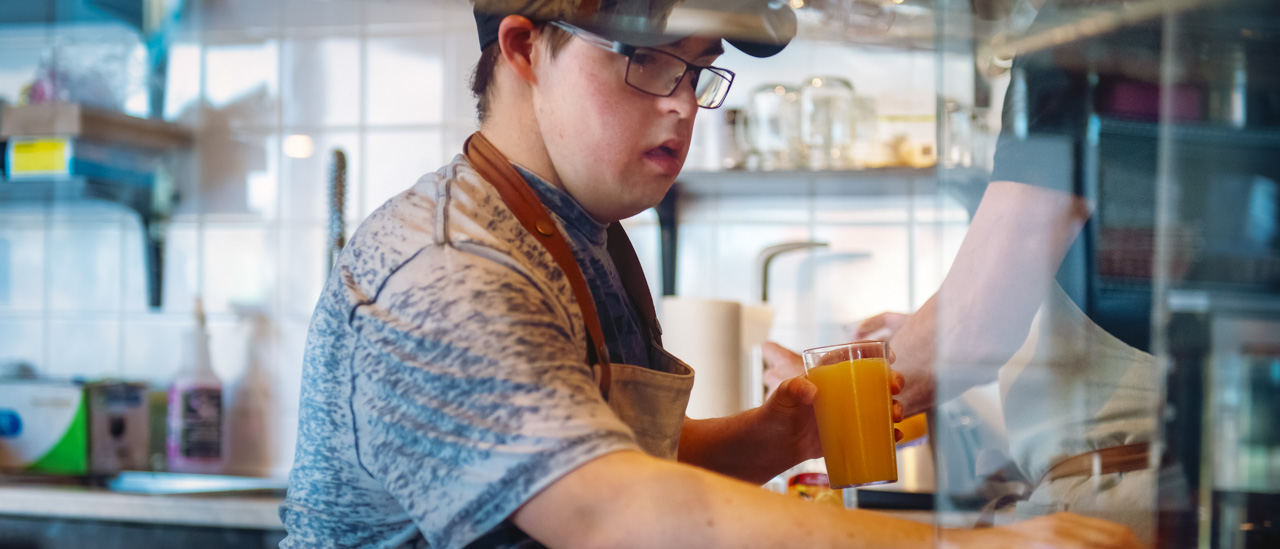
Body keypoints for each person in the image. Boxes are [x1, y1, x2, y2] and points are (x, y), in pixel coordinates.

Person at [278, 0, 1145, 547]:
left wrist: (783, 431)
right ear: (523, 46)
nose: (683, 102)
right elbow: (602, 509)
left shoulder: (584, 238)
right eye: (646, 58)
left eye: (697, 69)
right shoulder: (449, 266)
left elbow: (612, 451)